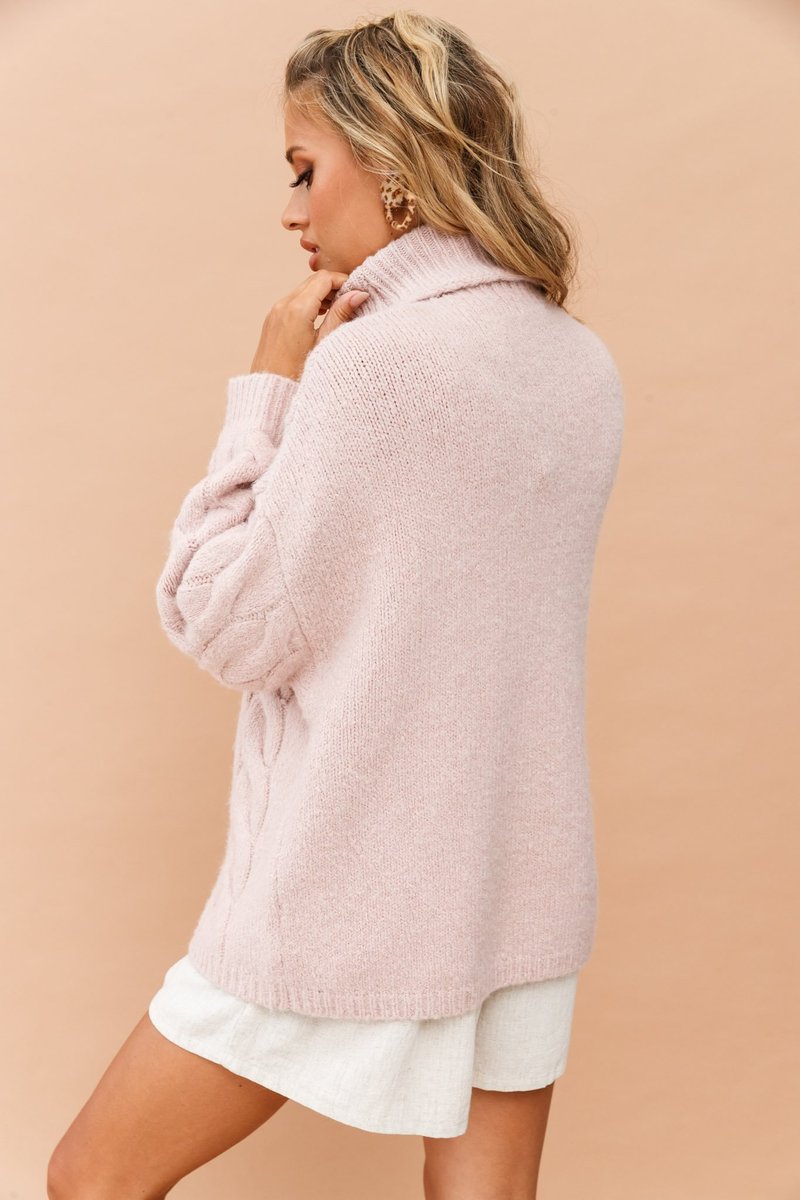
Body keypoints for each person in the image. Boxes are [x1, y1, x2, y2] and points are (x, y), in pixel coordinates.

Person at [47, 10, 624, 1199]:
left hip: (348, 886)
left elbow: (224, 623)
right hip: (519, 884)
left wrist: (266, 386)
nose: (290, 210)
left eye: (304, 168)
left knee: (89, 1180)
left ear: (391, 162)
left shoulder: (370, 368)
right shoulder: (577, 360)